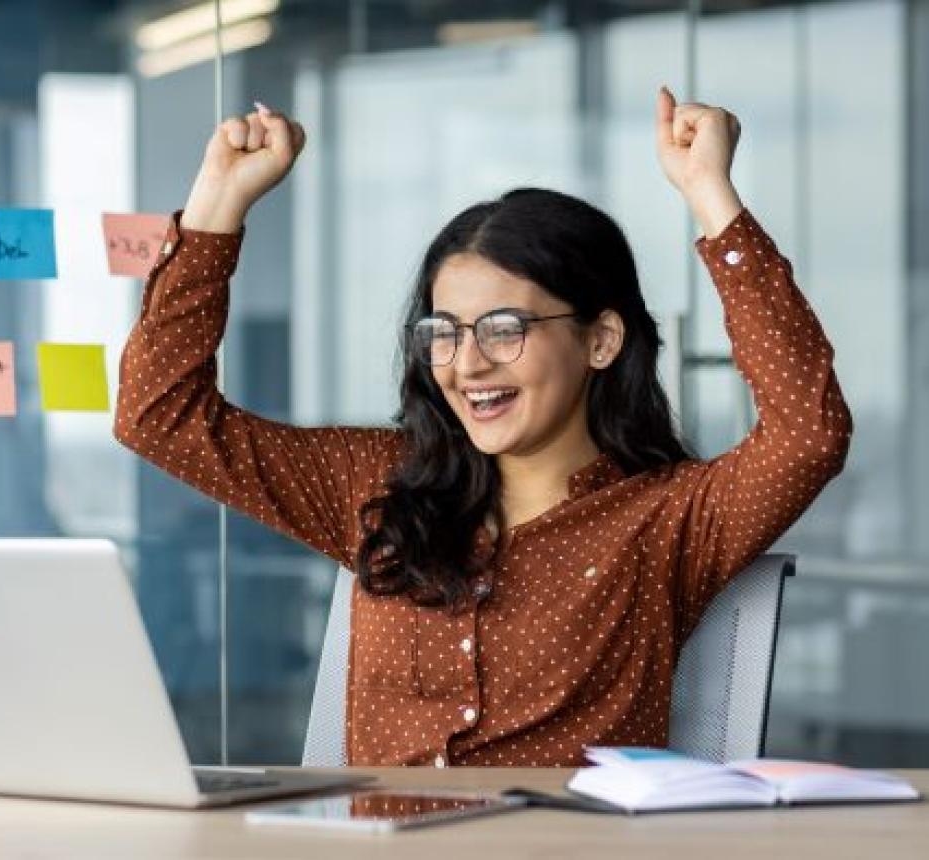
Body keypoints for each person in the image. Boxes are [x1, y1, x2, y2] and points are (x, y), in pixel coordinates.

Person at [114, 89, 852, 767]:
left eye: (504, 329)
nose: (466, 364)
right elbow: (158, 415)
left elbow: (808, 433)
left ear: (600, 340)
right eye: (443, 331)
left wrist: (709, 196)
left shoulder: (669, 519)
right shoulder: (378, 485)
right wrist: (218, 201)